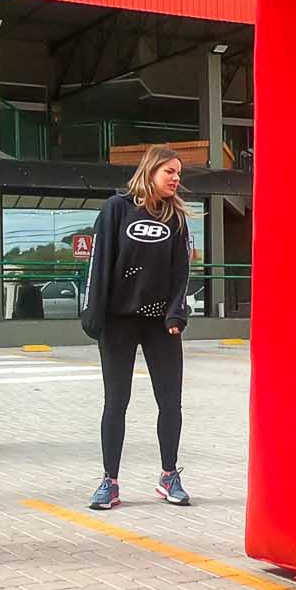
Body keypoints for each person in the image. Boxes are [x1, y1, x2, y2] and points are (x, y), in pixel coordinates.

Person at [81, 145, 192, 510]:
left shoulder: (176, 218)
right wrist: (94, 313)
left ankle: (169, 475)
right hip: (118, 321)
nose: (175, 178)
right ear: (150, 171)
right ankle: (109, 481)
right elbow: (99, 262)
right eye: (169, 171)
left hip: (161, 323)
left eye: (178, 173)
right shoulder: (116, 208)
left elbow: (181, 271)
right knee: (116, 402)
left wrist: (176, 314)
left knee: (170, 402)